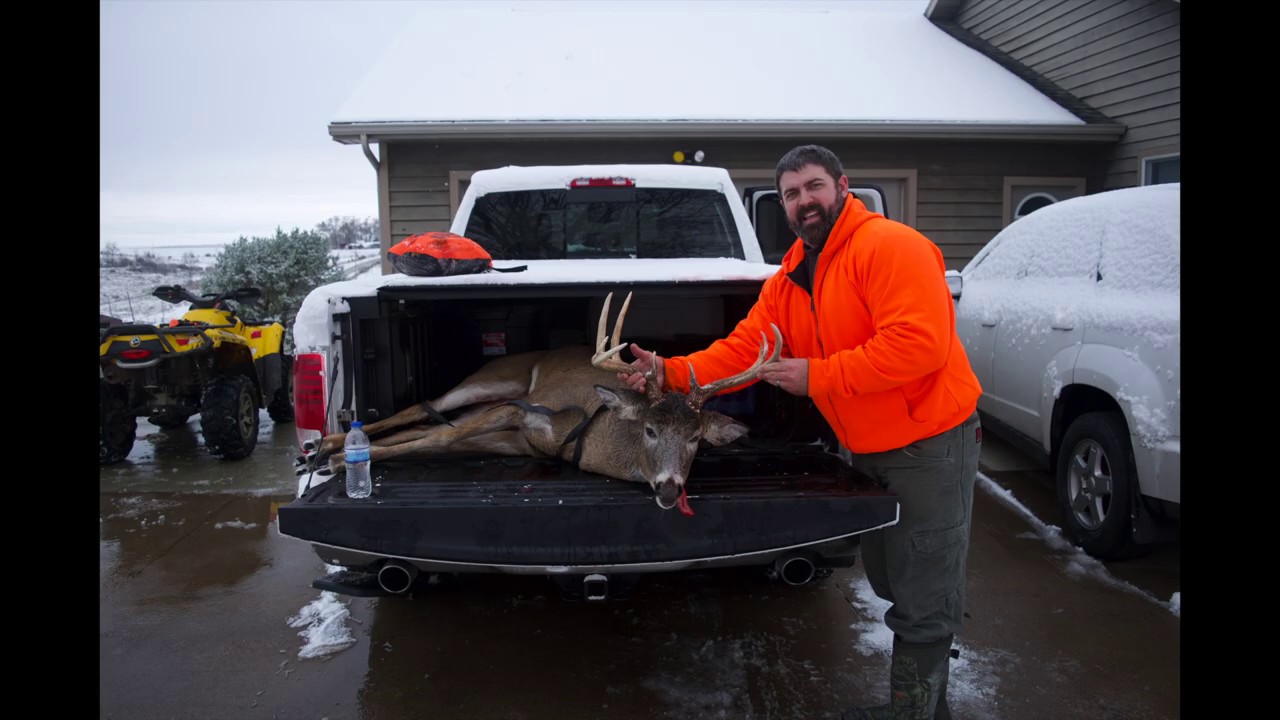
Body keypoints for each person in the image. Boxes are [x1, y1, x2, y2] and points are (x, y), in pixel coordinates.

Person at [619, 144, 982, 720]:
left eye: (813, 186)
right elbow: (745, 345)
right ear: (782, 206)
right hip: (866, 446)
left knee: (925, 593)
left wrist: (817, 375)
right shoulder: (790, 275)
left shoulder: (890, 247)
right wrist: (671, 371)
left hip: (929, 443)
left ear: (843, 185)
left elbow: (918, 346)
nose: (803, 201)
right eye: (791, 194)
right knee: (891, 578)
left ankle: (914, 712)